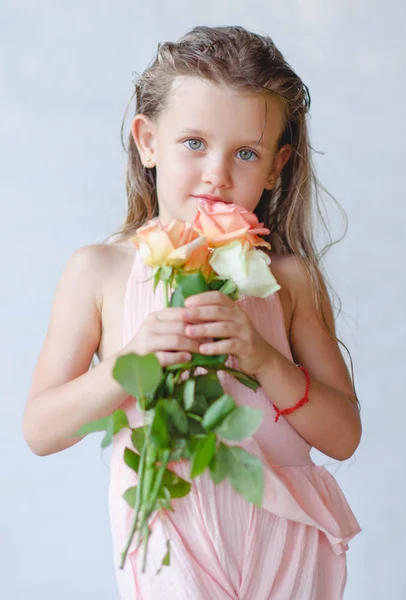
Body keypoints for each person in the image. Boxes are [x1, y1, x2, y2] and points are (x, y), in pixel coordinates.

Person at [22, 25, 362, 600]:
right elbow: (41, 430)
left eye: (246, 153)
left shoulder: (287, 280)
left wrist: (264, 360)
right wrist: (131, 363)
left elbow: (344, 436)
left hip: (286, 544)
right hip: (172, 538)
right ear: (148, 141)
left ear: (277, 167)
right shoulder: (99, 271)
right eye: (194, 143)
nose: (217, 174)